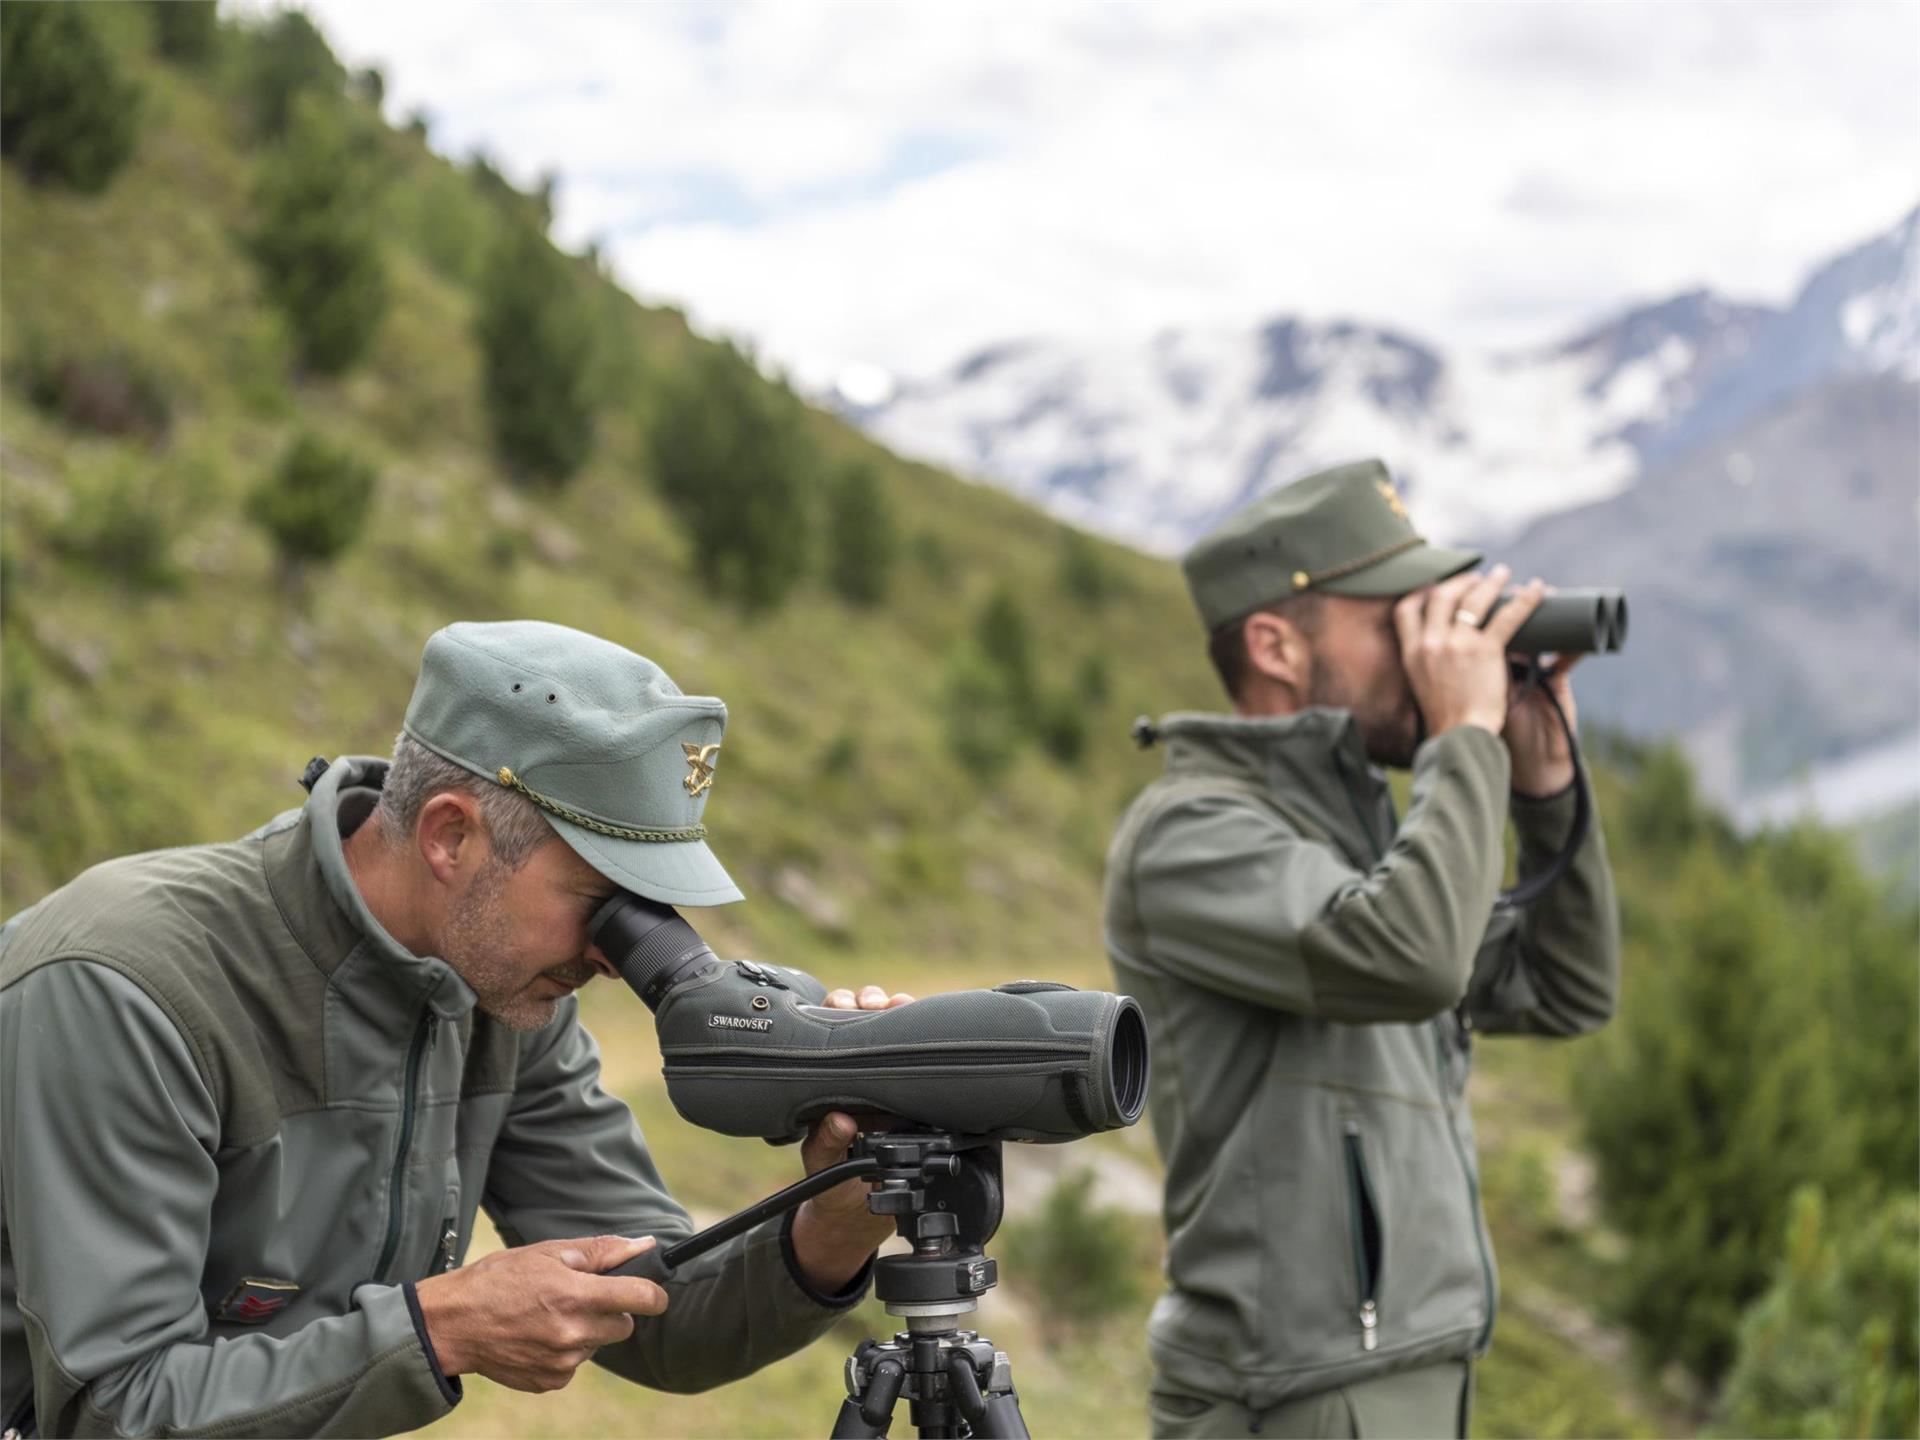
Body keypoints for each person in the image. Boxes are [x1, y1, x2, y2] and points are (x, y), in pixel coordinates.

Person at [0, 620, 912, 1439]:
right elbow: (113, 1408)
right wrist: (440, 1329)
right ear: (450, 837)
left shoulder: (504, 993)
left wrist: (834, 1219)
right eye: (603, 905)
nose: (611, 956)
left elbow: (652, 1305)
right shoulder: (127, 987)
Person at [1104, 460, 1620, 1439]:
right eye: (1399, 622)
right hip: (1292, 1398)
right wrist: (1465, 735)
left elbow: (1567, 987)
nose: (1436, 649)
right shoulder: (1189, 835)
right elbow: (1413, 960)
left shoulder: (1369, 842)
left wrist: (1543, 787)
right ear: (1275, 646)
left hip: (1414, 1375)